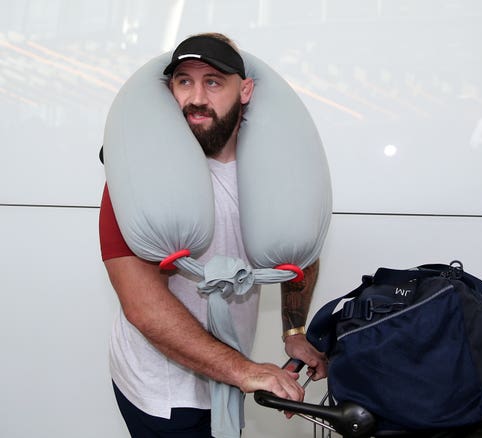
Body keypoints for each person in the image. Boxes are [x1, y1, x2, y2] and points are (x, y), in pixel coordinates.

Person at [99, 32, 327, 437]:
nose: (196, 97)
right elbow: (142, 305)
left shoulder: (273, 168)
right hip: (161, 391)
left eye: (213, 81)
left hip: (231, 373)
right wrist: (243, 370)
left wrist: (293, 331)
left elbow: (298, 243)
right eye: (184, 81)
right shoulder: (140, 174)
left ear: (245, 90)